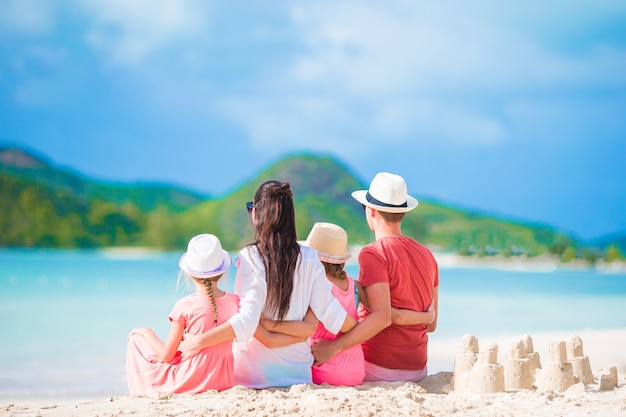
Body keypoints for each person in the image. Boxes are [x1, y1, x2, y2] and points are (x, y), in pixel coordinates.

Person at [179, 180, 356, 388]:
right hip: (298, 376)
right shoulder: (310, 259)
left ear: (256, 214)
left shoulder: (251, 257)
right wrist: (362, 329)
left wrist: (199, 341)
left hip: (252, 377)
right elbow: (331, 314)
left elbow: (247, 321)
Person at [312, 172, 439, 383]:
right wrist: (424, 317)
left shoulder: (374, 253)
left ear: (370, 211)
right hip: (418, 370)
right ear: (403, 213)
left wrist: (333, 348)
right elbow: (432, 325)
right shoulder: (428, 255)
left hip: (378, 367)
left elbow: (382, 317)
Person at [126, 233, 239, 395]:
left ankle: (139, 391)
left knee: (136, 340)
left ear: (189, 273)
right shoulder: (235, 302)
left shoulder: (186, 305)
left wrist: (146, 332)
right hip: (222, 379)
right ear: (221, 272)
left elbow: (166, 354)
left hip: (188, 379)